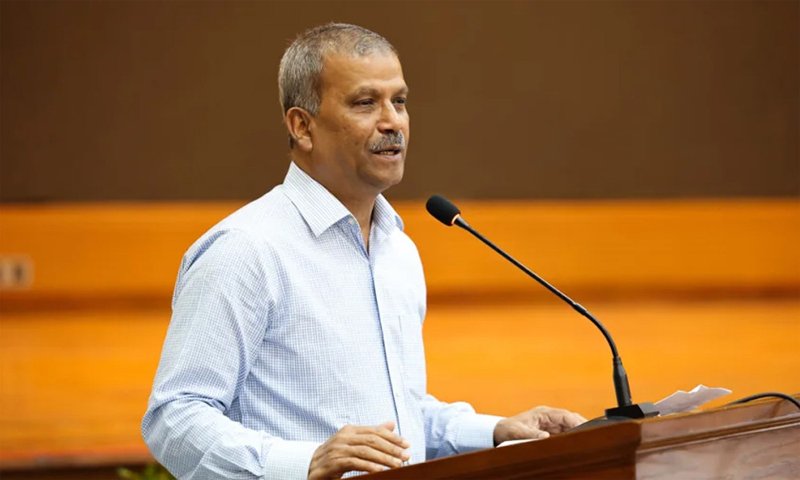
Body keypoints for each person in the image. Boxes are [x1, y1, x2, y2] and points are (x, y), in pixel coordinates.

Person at [142, 23, 585, 480]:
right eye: (365, 103)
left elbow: (398, 415)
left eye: (400, 101)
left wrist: (495, 430)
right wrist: (305, 462)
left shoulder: (398, 250)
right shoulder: (246, 251)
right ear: (302, 126)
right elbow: (174, 417)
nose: (393, 122)